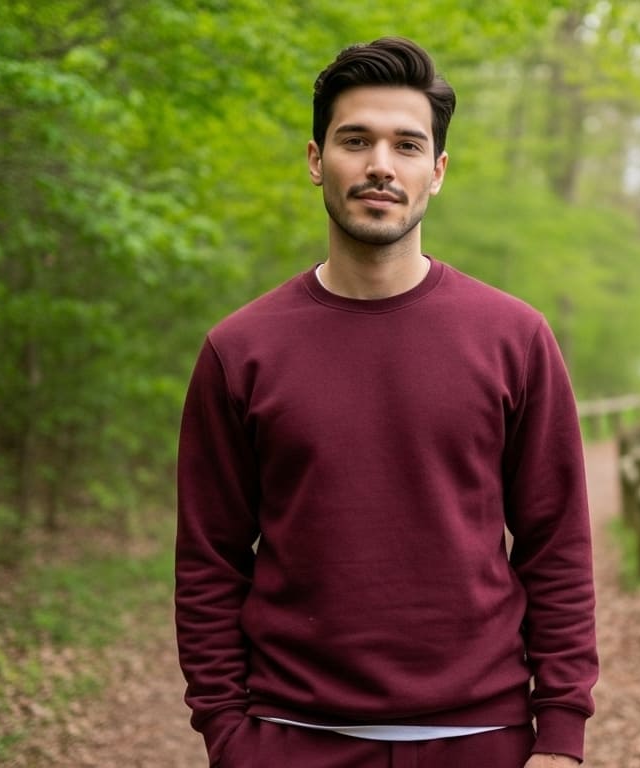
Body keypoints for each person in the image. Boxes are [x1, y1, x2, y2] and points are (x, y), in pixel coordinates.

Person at [174, 37, 598, 768]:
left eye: (406, 144)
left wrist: (560, 736)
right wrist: (227, 733)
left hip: (481, 741)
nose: (379, 164)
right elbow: (209, 559)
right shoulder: (239, 350)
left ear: (436, 172)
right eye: (355, 140)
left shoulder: (514, 337)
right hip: (289, 739)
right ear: (316, 161)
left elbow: (556, 544)